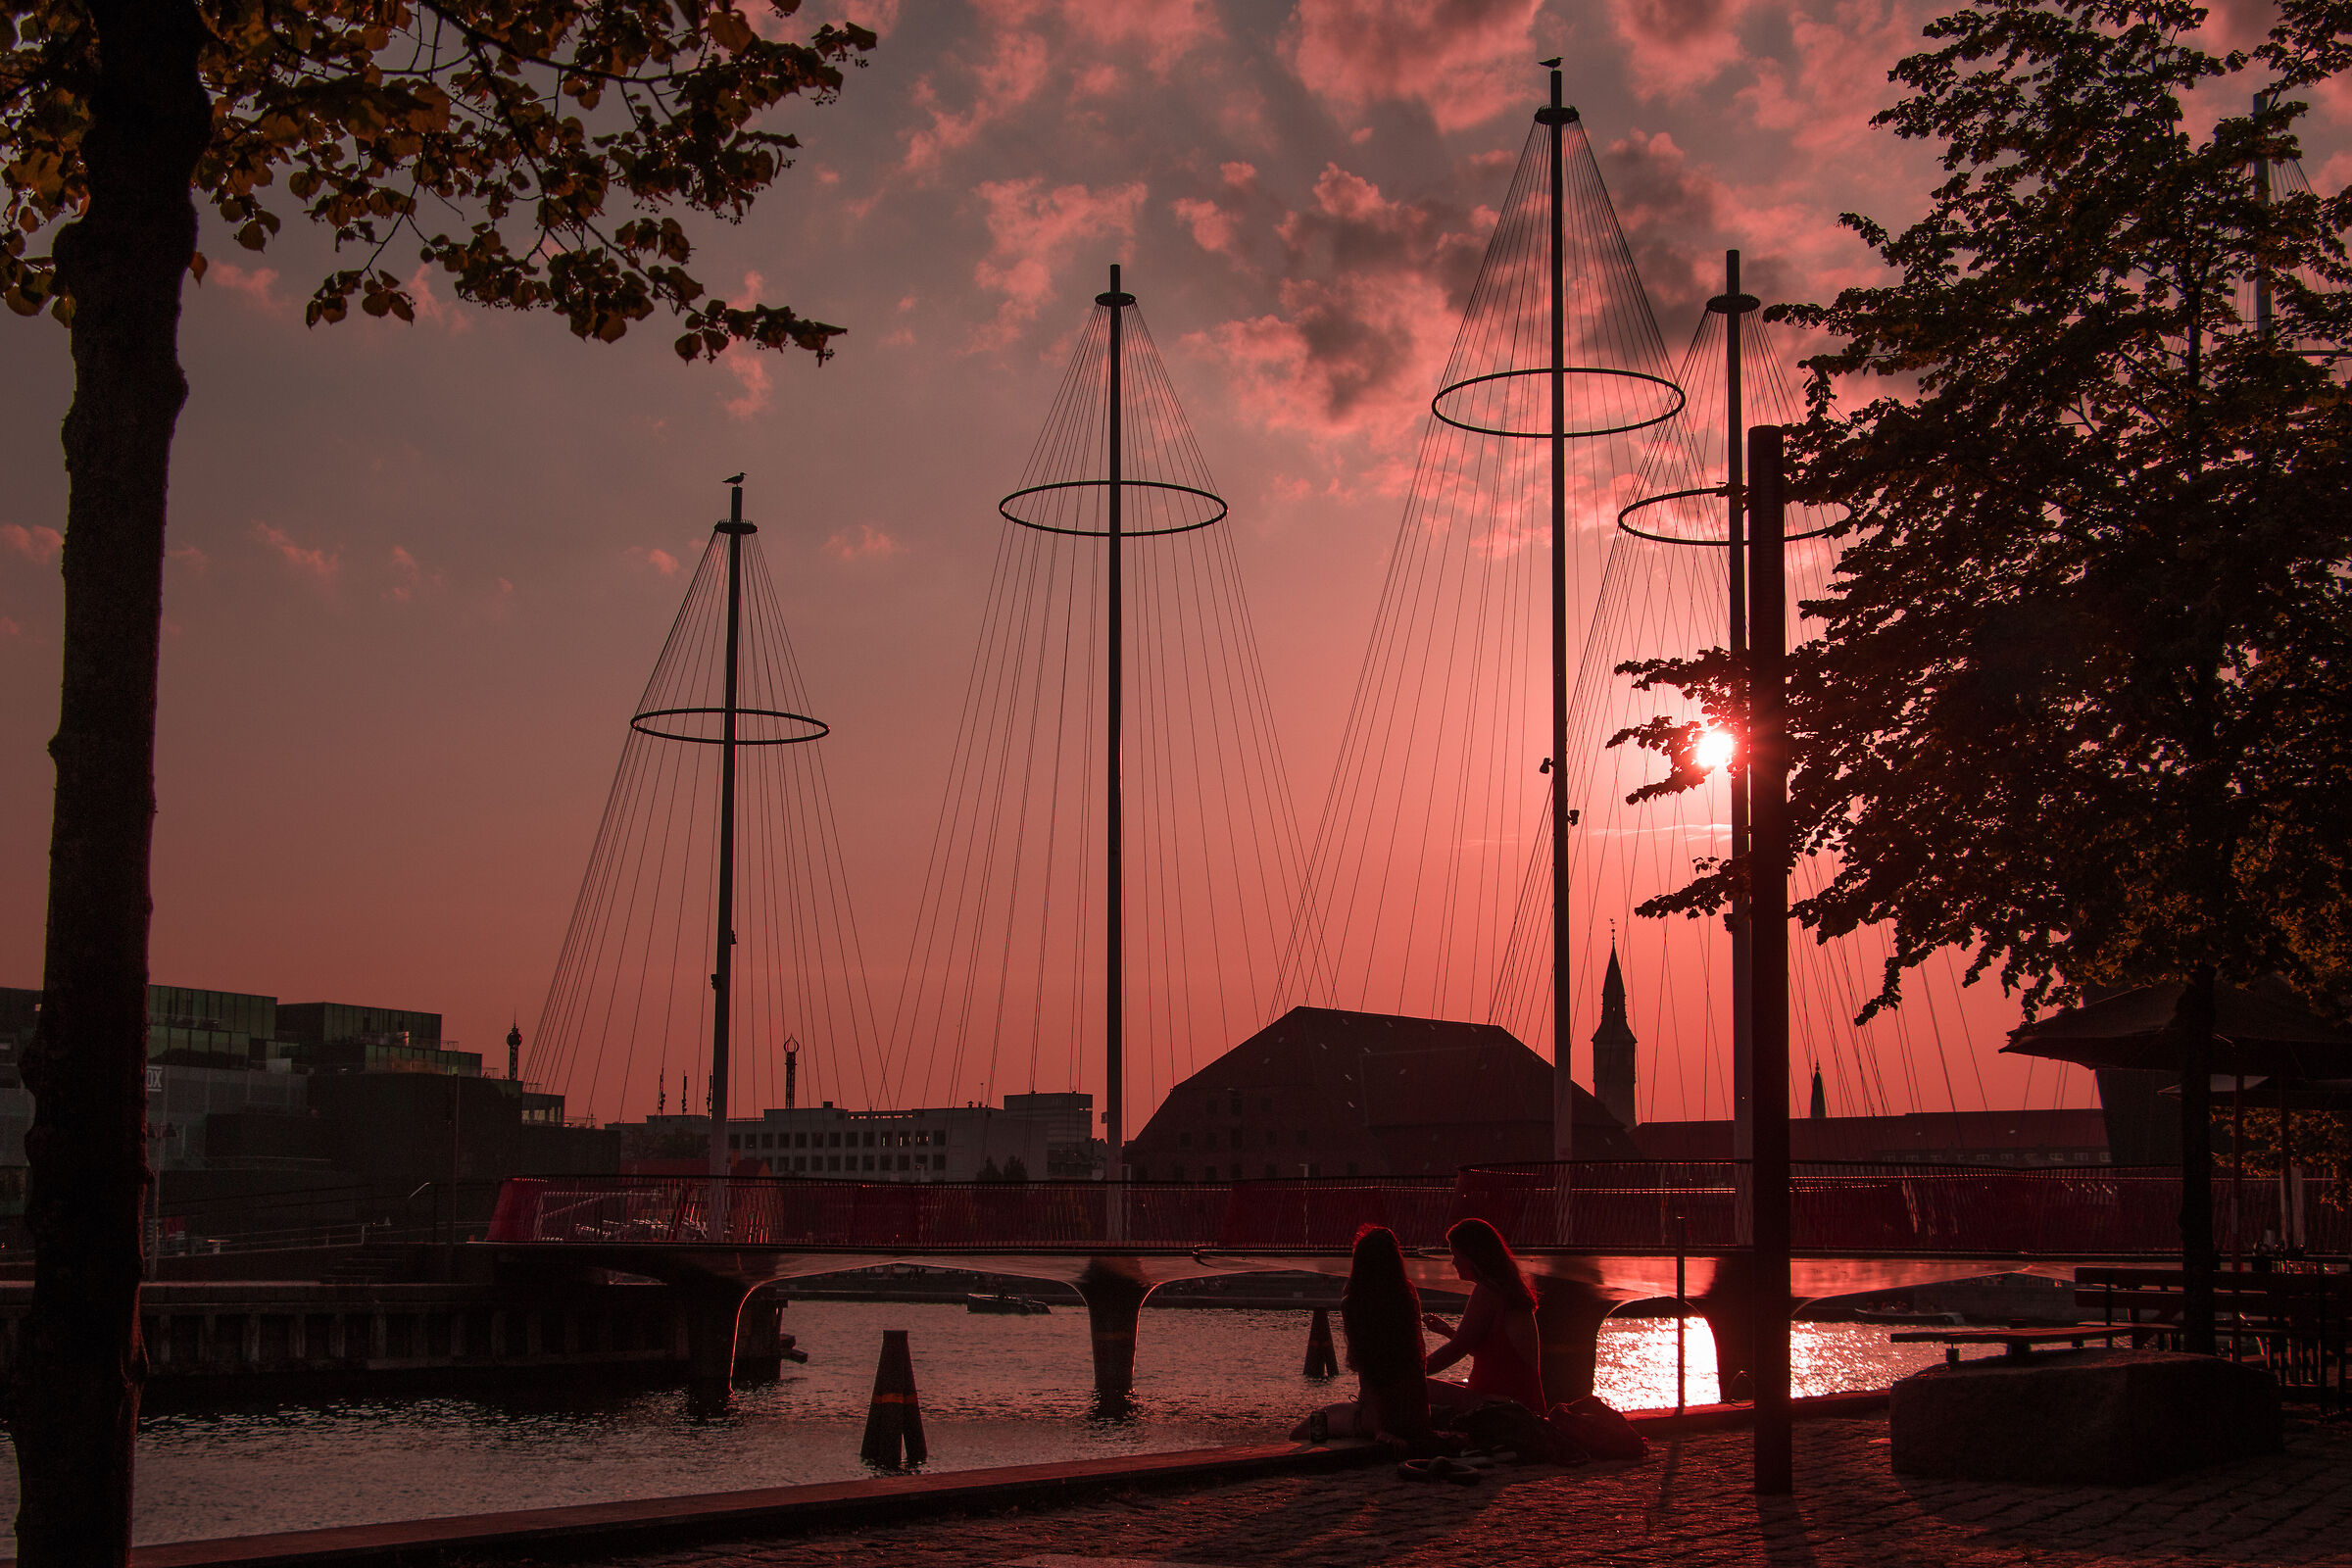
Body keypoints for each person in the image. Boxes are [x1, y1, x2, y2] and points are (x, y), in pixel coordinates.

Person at [1292, 1223, 1431, 1447]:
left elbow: (1366, 1368)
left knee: (1302, 1431)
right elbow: (1418, 1363)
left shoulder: (1354, 1302)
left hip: (1379, 1416)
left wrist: (1378, 1428)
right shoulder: (1408, 1294)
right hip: (1415, 1415)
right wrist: (1424, 1421)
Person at [1422, 1216, 1546, 1415]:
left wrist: (1411, 1373)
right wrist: (1447, 1331)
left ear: (1473, 1256)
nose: (1453, 1262)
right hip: (1519, 1403)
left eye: (1456, 1255)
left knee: (1417, 1388)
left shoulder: (1488, 1292)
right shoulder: (1505, 1290)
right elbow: (1487, 1352)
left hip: (1503, 1407)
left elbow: (1457, 1350)